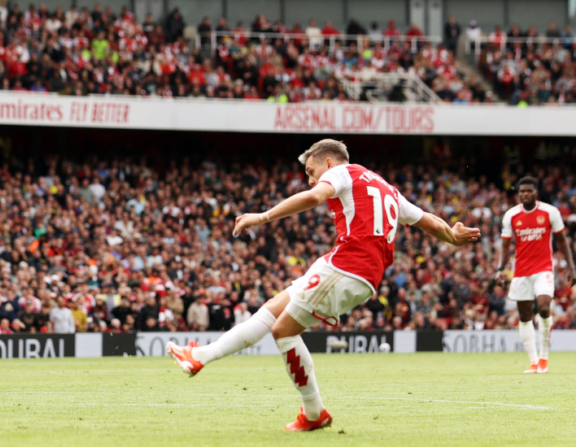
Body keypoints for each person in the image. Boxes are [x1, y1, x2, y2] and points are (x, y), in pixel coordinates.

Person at [166, 139, 480, 431]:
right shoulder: (386, 188)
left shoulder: (343, 172)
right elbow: (427, 220)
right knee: (272, 311)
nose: (310, 178)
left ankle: (314, 413)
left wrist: (262, 217)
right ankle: (201, 356)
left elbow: (315, 196)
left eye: (311, 171)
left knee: (283, 331)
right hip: (350, 267)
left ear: (329, 162)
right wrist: (453, 237)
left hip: (348, 266)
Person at [495, 176, 575, 374]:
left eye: (528, 191)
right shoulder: (511, 215)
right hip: (521, 271)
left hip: (544, 268)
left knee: (544, 308)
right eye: (521, 191)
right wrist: (499, 268)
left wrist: (572, 268)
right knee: (524, 316)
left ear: (536, 193)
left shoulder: (550, 212)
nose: (524, 194)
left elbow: (563, 241)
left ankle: (544, 357)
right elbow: (505, 246)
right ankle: (533, 361)